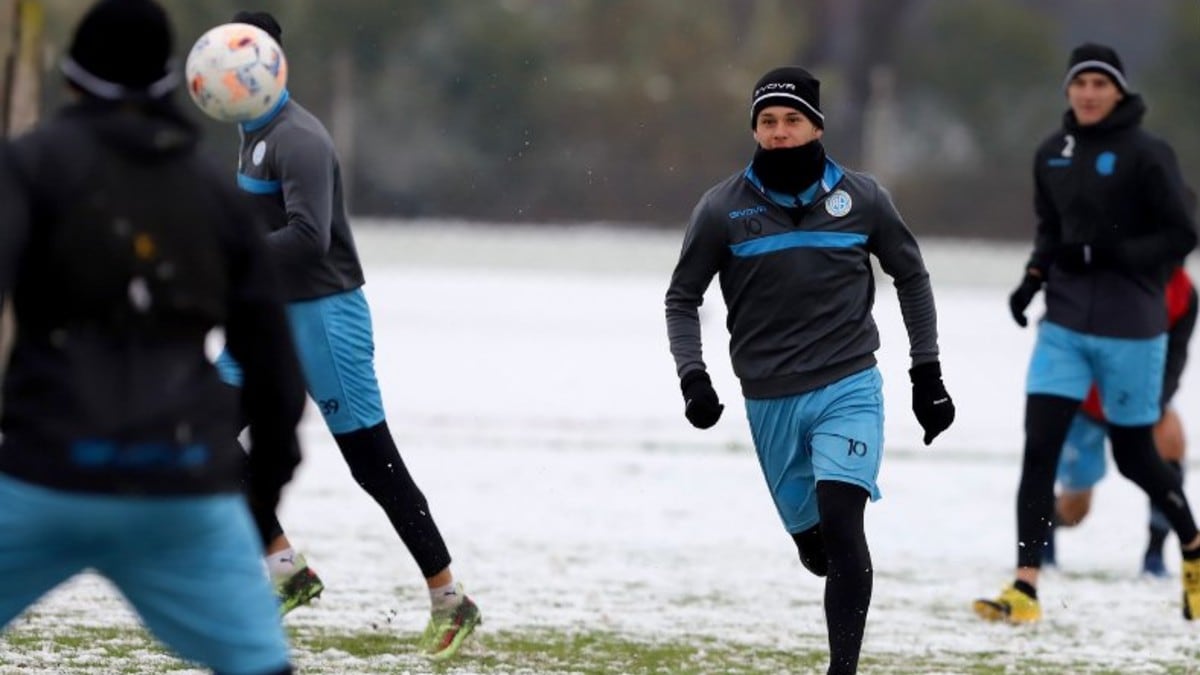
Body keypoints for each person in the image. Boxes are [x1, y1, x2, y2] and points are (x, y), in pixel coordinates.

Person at [0, 1, 306, 673]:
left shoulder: (28, 165)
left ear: (72, 78)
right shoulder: (212, 188)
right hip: (182, 485)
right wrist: (259, 492)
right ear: (175, 81)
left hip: (43, 473)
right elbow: (275, 363)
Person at [207, 10, 480, 659]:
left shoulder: (299, 138)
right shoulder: (251, 132)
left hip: (326, 315)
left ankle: (450, 597)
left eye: (246, 61)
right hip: (269, 312)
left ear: (271, 67)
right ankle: (286, 569)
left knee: (371, 462)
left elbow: (310, 237)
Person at [665, 66, 955, 675]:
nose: (779, 132)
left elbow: (913, 276)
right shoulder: (721, 209)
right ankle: (813, 547)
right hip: (769, 399)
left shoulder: (864, 198)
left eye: (792, 120)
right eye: (767, 122)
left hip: (848, 385)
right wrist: (694, 376)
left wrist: (925, 374)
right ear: (754, 129)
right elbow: (681, 297)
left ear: (816, 126)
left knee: (846, 526)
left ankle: (841, 671)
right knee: (819, 550)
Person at [976, 43, 1200, 625]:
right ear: (1069, 90)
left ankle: (1193, 546)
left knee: (1135, 459)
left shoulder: (1150, 155)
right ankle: (1025, 586)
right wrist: (1031, 280)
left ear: (1119, 91)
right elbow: (1050, 233)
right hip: (1066, 326)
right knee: (1039, 449)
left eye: (1102, 83)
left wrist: (1113, 253)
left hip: (1133, 328)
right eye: (1081, 83)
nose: (1090, 93)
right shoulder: (1052, 154)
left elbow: (1182, 235)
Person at [1044, 266, 1196, 577]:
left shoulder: (1185, 292)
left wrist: (1158, 400)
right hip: (1087, 401)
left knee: (1172, 443)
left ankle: (1154, 556)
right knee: (1076, 509)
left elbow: (1176, 355)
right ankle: (1044, 536)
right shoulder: (1112, 278)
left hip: (1140, 398)